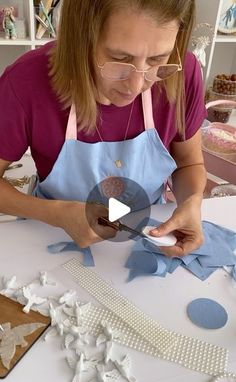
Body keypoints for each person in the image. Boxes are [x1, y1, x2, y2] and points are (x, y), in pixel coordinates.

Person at [0, 0, 207, 257]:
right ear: (81, 39)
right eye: (120, 59)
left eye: (157, 60)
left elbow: (189, 163)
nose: (136, 85)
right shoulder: (26, 81)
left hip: (146, 239)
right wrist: (56, 214)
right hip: (51, 235)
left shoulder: (183, 71)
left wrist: (191, 202)